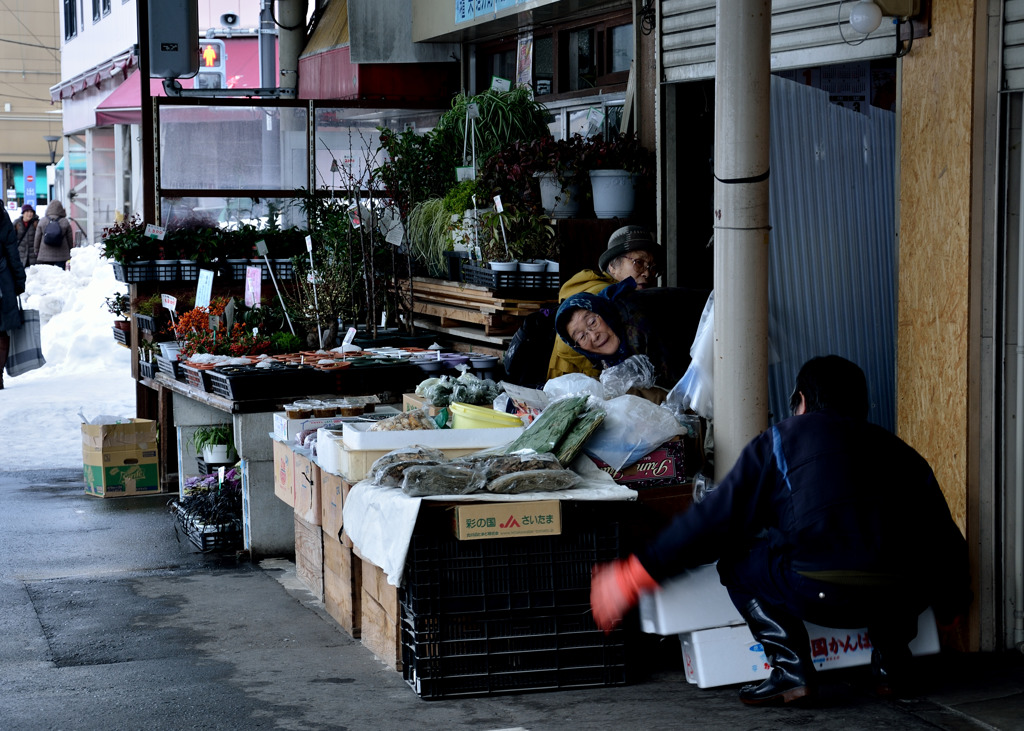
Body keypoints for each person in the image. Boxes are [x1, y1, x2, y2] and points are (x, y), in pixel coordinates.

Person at [590, 356, 972, 705]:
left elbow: (715, 522)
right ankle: (893, 669)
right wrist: (952, 605)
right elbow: (943, 537)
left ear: (800, 400)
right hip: (899, 597)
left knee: (737, 560)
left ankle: (791, 672)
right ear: (862, 404)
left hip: (817, 591)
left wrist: (633, 574)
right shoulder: (900, 451)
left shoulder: (779, 440)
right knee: (892, 556)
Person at [545, 225, 664, 381]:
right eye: (639, 262)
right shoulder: (601, 302)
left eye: (652, 267)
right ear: (612, 267)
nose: (647, 273)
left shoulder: (624, 300)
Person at [553, 279, 708, 390]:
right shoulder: (612, 348)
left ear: (603, 311)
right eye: (581, 337)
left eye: (592, 322)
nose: (594, 336)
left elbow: (688, 387)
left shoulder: (640, 327)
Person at [0, 211, 28, 389]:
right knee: (1, 331)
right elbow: (12, 252)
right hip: (2, 281)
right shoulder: (1, 216)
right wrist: (19, 281)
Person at [33, 199, 75, 269]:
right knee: (59, 276)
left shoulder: (43, 221)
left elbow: (37, 237)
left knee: (46, 276)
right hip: (62, 255)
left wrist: (36, 250)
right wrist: (71, 250)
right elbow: (69, 238)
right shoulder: (65, 221)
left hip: (44, 256)